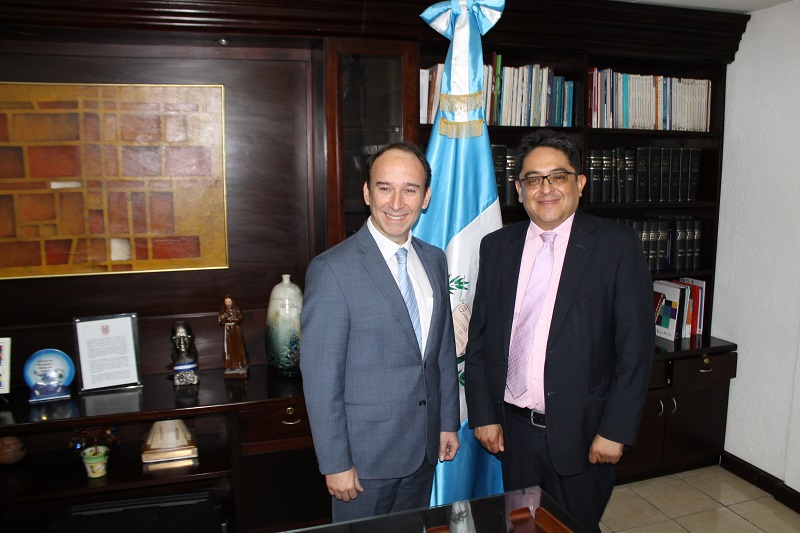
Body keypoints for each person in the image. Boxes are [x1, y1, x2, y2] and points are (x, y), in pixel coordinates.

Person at [464, 129, 654, 532]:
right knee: (523, 526)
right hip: (514, 432)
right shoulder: (497, 247)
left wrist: (614, 430)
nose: (545, 188)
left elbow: (635, 349)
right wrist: (483, 413)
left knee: (575, 526)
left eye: (558, 176)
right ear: (519, 189)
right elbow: (480, 340)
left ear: (580, 183)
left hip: (585, 433)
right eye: (533, 179)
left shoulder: (616, 246)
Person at [300, 141, 460, 522]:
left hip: (423, 449)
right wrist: (335, 462)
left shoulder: (434, 259)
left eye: (410, 189)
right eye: (385, 187)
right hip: (363, 462)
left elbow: (441, 353)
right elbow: (322, 381)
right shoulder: (332, 270)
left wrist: (447, 422)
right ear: (367, 192)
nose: (396, 202)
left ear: (426, 198)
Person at [218, 295, 248, 377]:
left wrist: (233, 319)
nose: (228, 303)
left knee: (237, 346)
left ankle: (239, 364)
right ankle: (230, 365)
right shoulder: (223, 310)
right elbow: (220, 321)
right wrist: (223, 318)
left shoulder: (236, 309)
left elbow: (240, 318)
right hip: (227, 330)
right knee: (229, 347)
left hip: (235, 329)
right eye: (226, 302)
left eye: (229, 302)